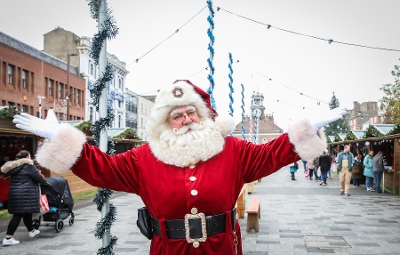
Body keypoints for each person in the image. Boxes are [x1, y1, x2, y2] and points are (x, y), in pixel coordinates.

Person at [12, 80, 346, 255]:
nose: (185, 120)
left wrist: (304, 129)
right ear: (166, 122)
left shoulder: (233, 150)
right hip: (168, 250)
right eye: (177, 115)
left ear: (203, 116)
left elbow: (272, 153)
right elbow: (103, 169)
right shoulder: (143, 158)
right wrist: (62, 138)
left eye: (191, 113)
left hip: (221, 250)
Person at [1, 150, 48, 245]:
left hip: (15, 192)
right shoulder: (29, 166)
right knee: (18, 215)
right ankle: (8, 238)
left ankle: (32, 231)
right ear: (27, 157)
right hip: (25, 193)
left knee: (26, 212)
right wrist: (45, 182)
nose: (30, 158)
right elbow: (38, 178)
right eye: (30, 156)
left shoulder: (14, 166)